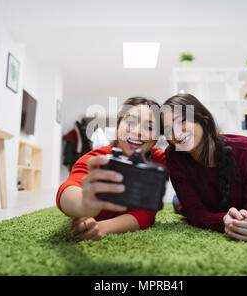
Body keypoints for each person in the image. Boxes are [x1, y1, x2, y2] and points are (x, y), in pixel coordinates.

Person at [161, 93, 247, 242]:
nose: (176, 133)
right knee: (177, 204)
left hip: (233, 205)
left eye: (182, 121)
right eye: (168, 129)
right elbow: (197, 215)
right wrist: (225, 220)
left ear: (202, 119)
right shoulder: (174, 155)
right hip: (197, 202)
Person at [56, 97, 165, 241]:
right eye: (130, 122)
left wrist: (103, 227)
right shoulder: (97, 158)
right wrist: (84, 203)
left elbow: (145, 213)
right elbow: (68, 188)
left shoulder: (159, 161)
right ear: (118, 125)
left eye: (149, 127)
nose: (138, 131)